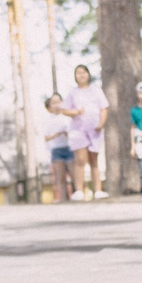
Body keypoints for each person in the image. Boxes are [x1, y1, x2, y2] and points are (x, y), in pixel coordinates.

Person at [68, 65, 108, 200]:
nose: (81, 75)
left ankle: (98, 190)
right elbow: (64, 109)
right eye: (78, 73)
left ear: (88, 74)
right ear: (75, 76)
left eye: (83, 72)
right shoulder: (73, 92)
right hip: (78, 130)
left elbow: (104, 108)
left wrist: (101, 123)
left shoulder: (96, 91)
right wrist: (75, 112)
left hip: (95, 129)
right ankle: (79, 190)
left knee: (94, 160)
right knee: (80, 159)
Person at [38, 93, 77, 204]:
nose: (57, 105)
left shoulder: (67, 117)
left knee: (74, 174)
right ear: (49, 106)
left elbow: (73, 132)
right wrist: (55, 135)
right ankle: (63, 198)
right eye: (54, 103)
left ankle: (77, 195)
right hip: (56, 149)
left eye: (59, 101)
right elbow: (46, 137)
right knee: (60, 177)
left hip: (69, 148)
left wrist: (66, 133)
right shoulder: (48, 121)